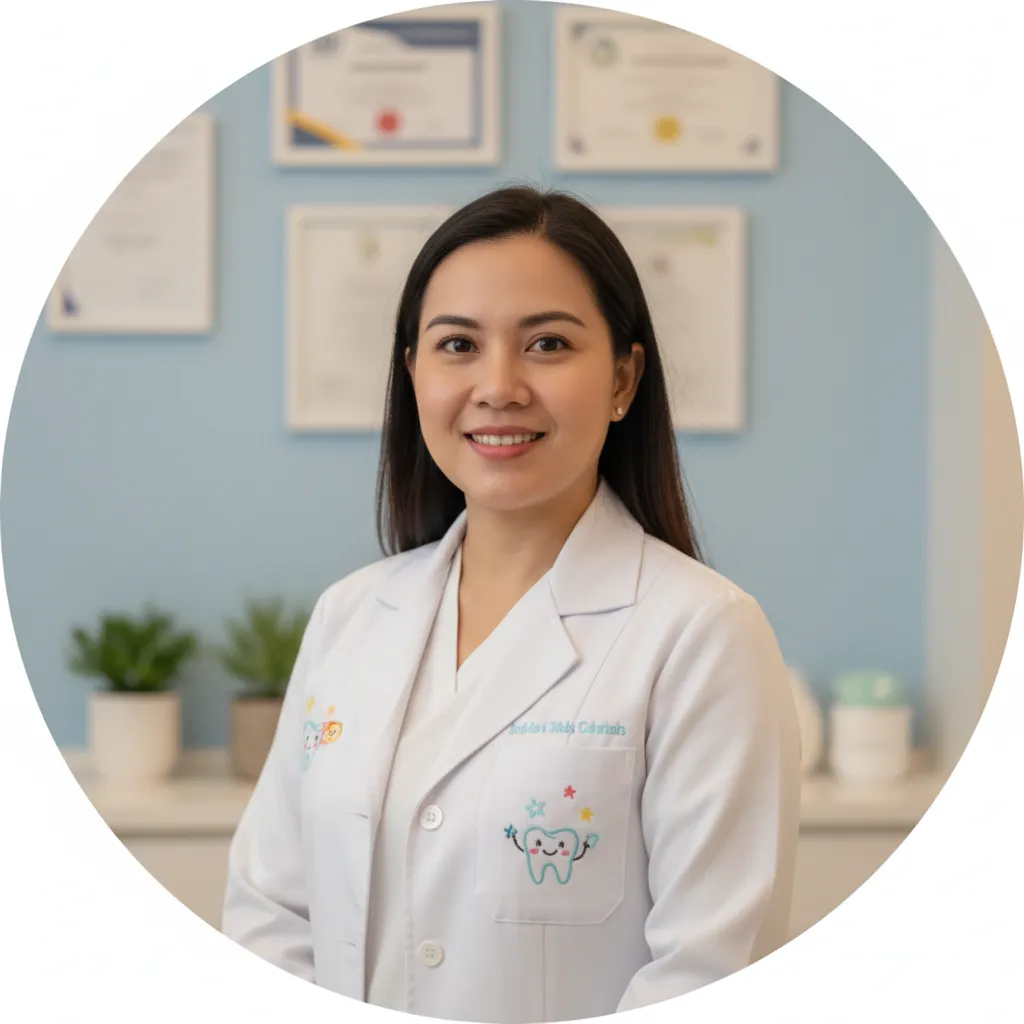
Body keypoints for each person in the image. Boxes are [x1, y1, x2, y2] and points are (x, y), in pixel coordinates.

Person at [222, 185, 801, 1022]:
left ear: (623, 378)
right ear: (414, 372)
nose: (498, 386)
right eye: (458, 344)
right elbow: (269, 916)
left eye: (548, 344)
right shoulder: (350, 616)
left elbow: (710, 971)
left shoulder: (701, 634)